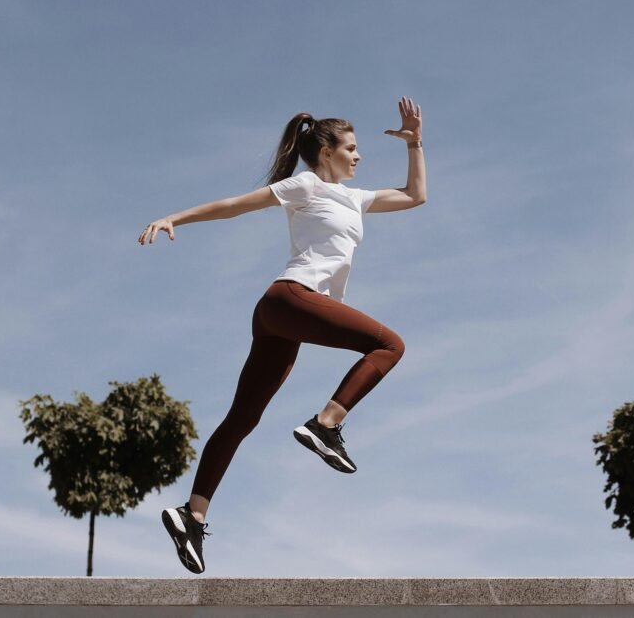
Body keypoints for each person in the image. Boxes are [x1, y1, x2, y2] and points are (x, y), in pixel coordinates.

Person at [138, 96, 426, 574]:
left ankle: (192, 514)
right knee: (389, 345)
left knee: (243, 416)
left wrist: (415, 143)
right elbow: (233, 206)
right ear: (326, 150)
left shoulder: (356, 198)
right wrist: (175, 217)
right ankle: (325, 425)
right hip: (291, 297)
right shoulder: (305, 185)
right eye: (351, 148)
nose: (358, 156)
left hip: (281, 313)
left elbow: (416, 196)